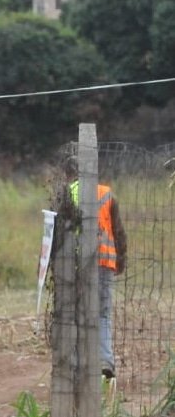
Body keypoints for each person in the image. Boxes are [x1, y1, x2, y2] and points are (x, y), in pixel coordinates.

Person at [66, 158, 127, 379]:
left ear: (71, 173)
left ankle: (74, 364)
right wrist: (120, 261)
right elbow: (118, 232)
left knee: (73, 314)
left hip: (74, 264)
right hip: (104, 263)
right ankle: (105, 361)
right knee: (102, 315)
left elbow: (57, 230)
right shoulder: (106, 193)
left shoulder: (67, 193)